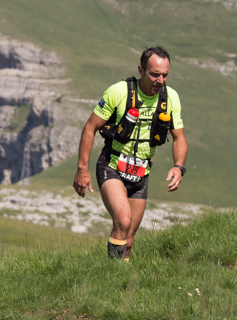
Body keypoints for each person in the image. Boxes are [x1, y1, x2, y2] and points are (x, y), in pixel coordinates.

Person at [72, 46, 187, 261]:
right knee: (123, 221)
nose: (160, 80)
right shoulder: (118, 92)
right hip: (112, 166)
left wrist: (178, 166)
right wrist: (82, 170)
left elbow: (179, 137)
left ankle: (121, 283)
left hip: (141, 173)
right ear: (141, 70)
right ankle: (112, 277)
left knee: (130, 238)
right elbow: (90, 128)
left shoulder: (171, 98)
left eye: (165, 75)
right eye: (154, 74)